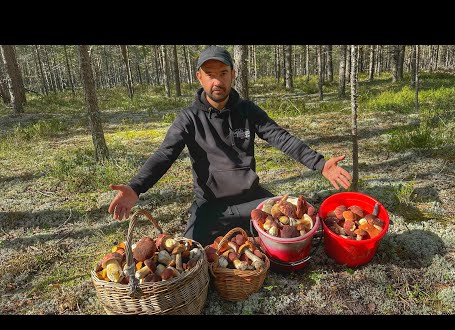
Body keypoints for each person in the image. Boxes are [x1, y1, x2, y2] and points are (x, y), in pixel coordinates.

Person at [108, 45, 352, 246]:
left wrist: (320, 164)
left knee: (291, 231)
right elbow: (165, 154)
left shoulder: (247, 111)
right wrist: (136, 187)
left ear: (233, 74)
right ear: (199, 77)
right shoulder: (189, 119)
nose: (217, 81)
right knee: (190, 253)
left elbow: (281, 137)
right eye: (211, 74)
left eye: (223, 73)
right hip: (212, 206)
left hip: (252, 199)